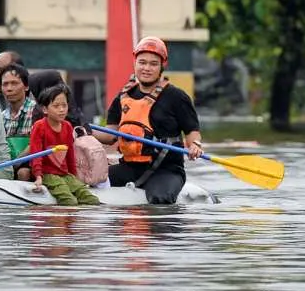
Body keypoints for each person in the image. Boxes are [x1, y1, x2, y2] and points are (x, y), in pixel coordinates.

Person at [91, 36, 202, 205]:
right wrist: (83, 131)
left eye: (153, 64)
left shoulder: (177, 97)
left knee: (159, 200)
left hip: (167, 170)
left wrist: (195, 146)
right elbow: (110, 135)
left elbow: (192, 134)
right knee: (87, 182)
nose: (147, 68)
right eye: (142, 62)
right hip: (128, 168)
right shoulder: (123, 97)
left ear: (162, 66)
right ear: (135, 63)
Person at [29, 83, 100, 206]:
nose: (62, 110)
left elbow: (70, 155)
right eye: (56, 106)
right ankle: (63, 225)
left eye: (64, 105)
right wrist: (38, 176)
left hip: (64, 174)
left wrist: (74, 176)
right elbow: (36, 154)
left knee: (92, 200)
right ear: (45, 109)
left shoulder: (67, 126)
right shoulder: (39, 126)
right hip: (47, 174)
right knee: (70, 201)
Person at [0, 63, 37, 181]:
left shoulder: (36, 111)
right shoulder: (1, 116)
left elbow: (37, 145)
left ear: (26, 86)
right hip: (7, 166)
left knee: (23, 173)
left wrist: (14, 164)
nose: (9, 88)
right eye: (5, 84)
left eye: (14, 83)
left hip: (34, 166)